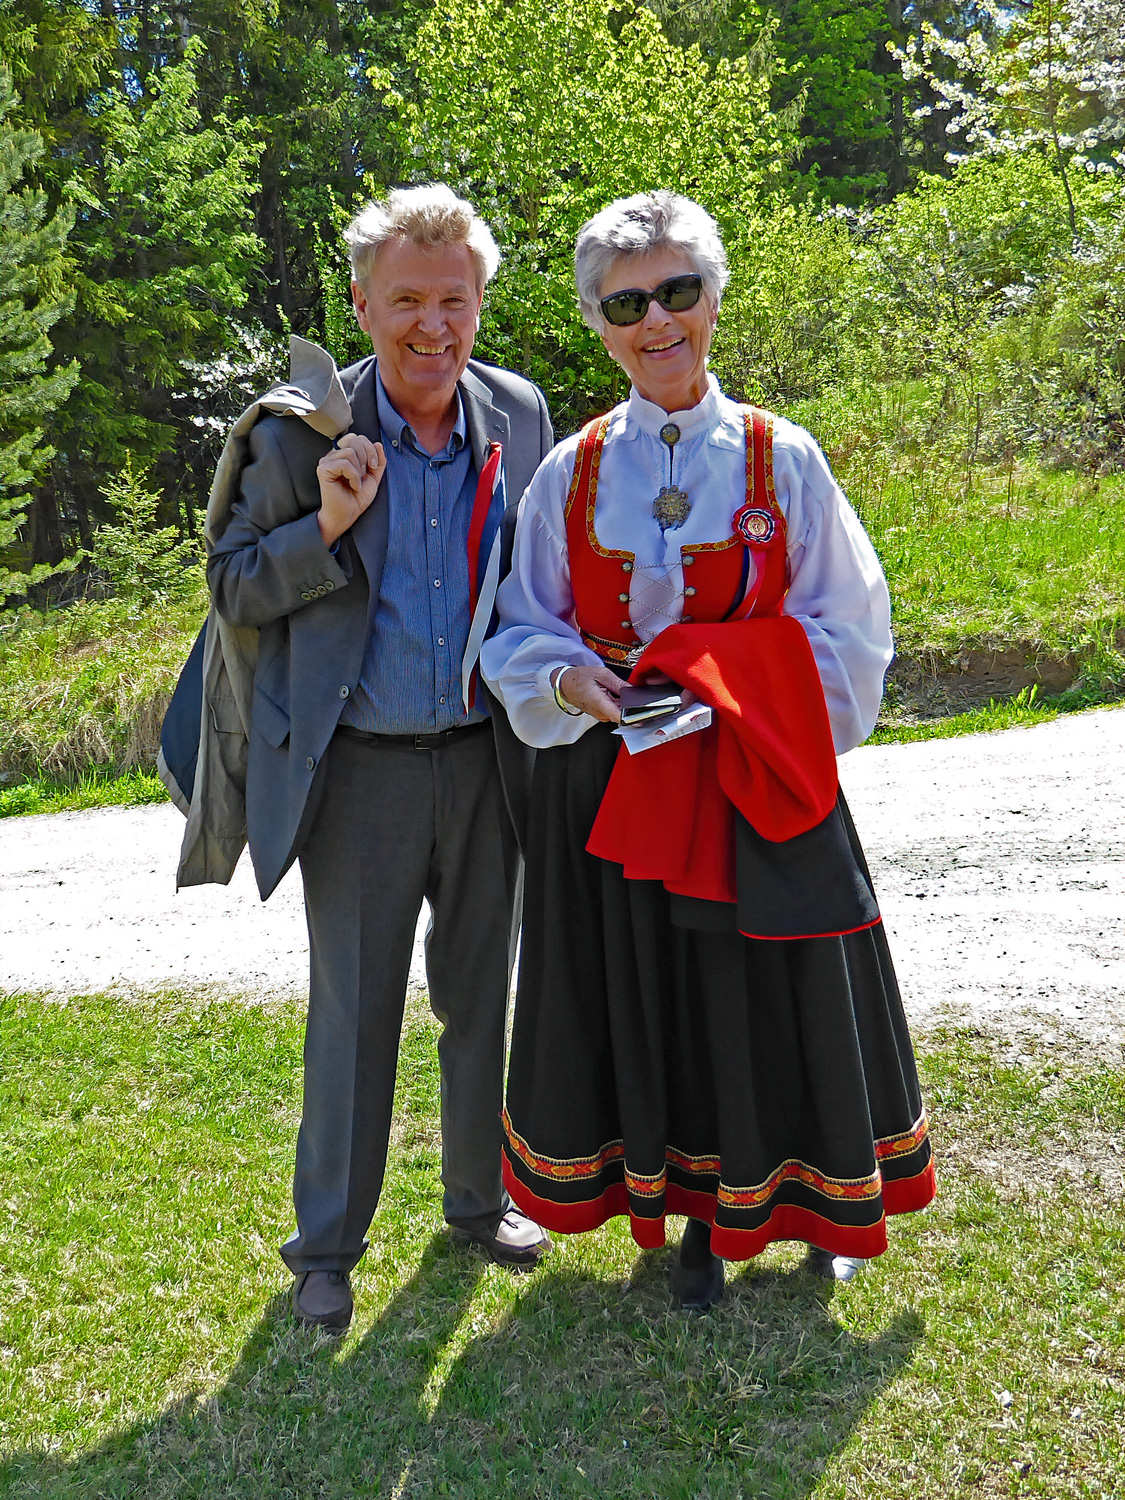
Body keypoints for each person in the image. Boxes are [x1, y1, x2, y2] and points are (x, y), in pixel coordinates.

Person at [480, 190, 935, 1311]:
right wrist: (566, 679)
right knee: (658, 993)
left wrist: (739, 690)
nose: (657, 322)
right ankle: (688, 1222)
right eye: (627, 303)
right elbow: (523, 624)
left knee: (781, 988)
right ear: (599, 322)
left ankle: (817, 1204)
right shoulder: (571, 473)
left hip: (758, 775)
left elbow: (852, 628)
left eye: (679, 291)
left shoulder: (784, 458)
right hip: (622, 783)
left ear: (715, 298)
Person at [209, 184, 553, 1331]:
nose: (432, 326)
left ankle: (476, 1204)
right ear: (361, 304)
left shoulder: (521, 415)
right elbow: (235, 587)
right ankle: (325, 1252)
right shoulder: (297, 432)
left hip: (485, 763)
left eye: (454, 301)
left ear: (480, 303)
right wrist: (325, 529)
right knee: (354, 1013)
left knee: (477, 1000)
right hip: (358, 771)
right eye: (406, 299)